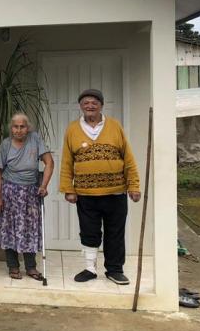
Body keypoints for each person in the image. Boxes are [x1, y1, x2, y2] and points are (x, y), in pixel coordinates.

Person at [60, 89, 140, 285]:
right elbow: (66, 162)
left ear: (101, 105)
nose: (90, 106)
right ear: (81, 106)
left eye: (94, 102)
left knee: (115, 232)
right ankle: (89, 268)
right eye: (86, 102)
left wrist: (134, 185)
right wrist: (68, 189)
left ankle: (114, 270)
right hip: (86, 194)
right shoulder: (72, 129)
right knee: (89, 231)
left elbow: (128, 158)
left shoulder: (115, 126)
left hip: (116, 192)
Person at [0, 112, 54, 280]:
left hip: (30, 192)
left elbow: (49, 163)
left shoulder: (35, 139)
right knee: (9, 228)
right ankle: (13, 267)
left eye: (22, 126)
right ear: (11, 128)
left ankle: (31, 267)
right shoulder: (5, 145)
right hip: (10, 192)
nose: (19, 130)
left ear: (28, 128)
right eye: (15, 127)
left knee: (30, 229)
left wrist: (44, 185)